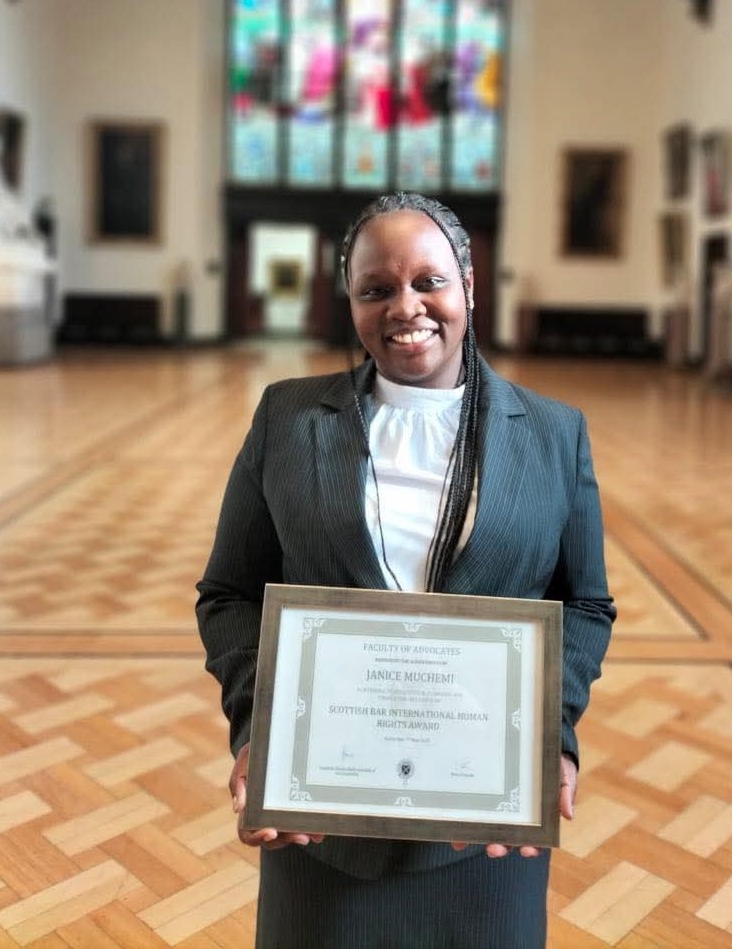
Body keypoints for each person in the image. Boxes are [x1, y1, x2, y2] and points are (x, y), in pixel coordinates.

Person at [196, 192, 615, 947]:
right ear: (350, 301)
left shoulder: (554, 433)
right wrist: (263, 728)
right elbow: (229, 593)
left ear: (469, 286)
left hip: (485, 830)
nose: (406, 307)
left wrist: (548, 736)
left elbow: (584, 603)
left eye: (429, 281)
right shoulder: (287, 419)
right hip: (324, 825)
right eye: (376, 289)